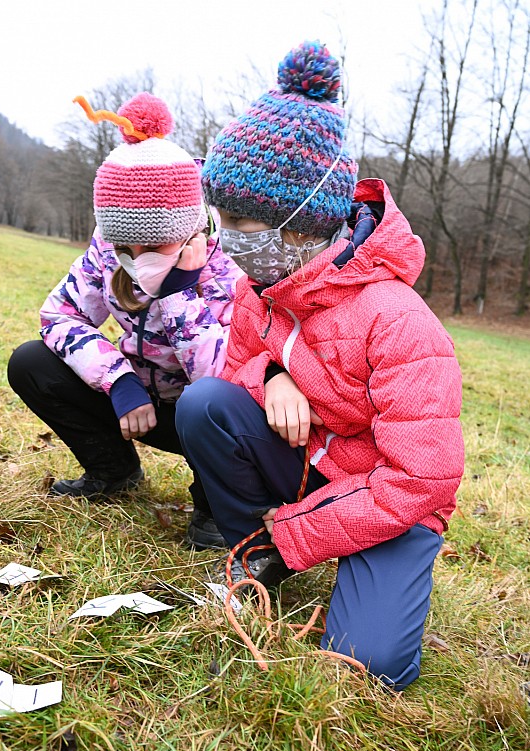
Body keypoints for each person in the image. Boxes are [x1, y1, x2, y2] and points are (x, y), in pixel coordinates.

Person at [175, 41, 464, 689]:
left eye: (239, 221)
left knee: (367, 665)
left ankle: (282, 551)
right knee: (204, 406)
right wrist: (272, 376)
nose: (225, 238)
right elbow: (236, 363)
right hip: (310, 462)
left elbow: (421, 478)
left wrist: (297, 534)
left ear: (299, 224)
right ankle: (255, 557)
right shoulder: (264, 285)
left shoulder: (398, 321)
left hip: (393, 500)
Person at [7, 92, 241, 549]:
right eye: (124, 247)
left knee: (210, 401)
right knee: (31, 362)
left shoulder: (229, 262)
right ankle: (113, 469)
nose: (136, 260)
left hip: (202, 416)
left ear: (189, 229)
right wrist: (117, 381)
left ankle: (214, 504)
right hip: (137, 401)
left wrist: (177, 295)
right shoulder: (108, 248)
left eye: (152, 247)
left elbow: (227, 379)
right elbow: (59, 314)